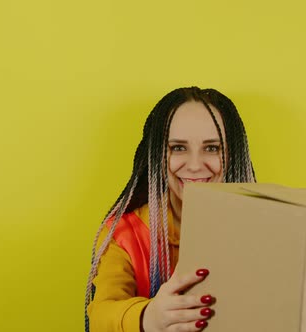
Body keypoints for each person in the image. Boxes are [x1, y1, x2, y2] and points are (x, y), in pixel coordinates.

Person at [85, 86, 256, 332]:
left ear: (232, 154)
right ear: (157, 156)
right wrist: (148, 317)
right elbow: (100, 314)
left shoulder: (258, 230)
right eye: (178, 147)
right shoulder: (124, 234)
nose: (195, 165)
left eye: (212, 148)